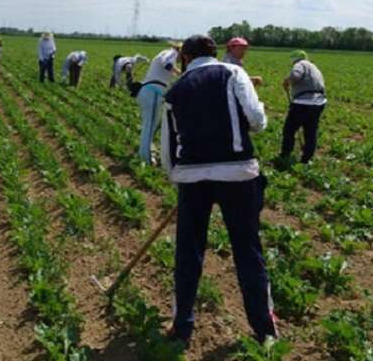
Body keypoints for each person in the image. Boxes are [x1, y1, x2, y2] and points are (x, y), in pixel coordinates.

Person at [161, 35, 280, 348]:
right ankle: (264, 329)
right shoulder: (234, 74)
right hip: (238, 174)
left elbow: (167, 150)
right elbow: (257, 122)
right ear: (215, 53)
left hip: (191, 178)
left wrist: (182, 179)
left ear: (185, 57)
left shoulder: (175, 91)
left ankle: (182, 325)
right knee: (247, 250)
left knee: (189, 252)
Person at [279, 50, 327, 165]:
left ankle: (285, 154)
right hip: (319, 102)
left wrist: (287, 81)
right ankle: (307, 158)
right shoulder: (314, 67)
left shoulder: (299, 65)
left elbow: (295, 75)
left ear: (294, 59)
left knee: (289, 130)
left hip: (303, 103)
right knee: (310, 131)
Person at [136, 43, 181, 164]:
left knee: (151, 124)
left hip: (150, 91)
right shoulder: (171, 53)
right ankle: (145, 157)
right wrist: (181, 73)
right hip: (153, 92)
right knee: (150, 125)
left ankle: (145, 151)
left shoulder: (167, 53)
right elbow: (167, 64)